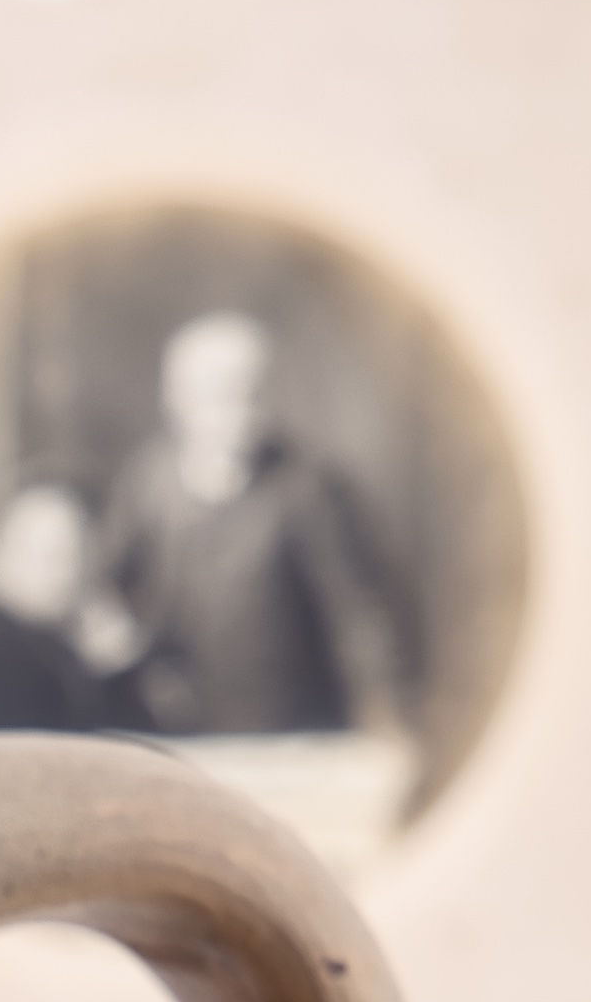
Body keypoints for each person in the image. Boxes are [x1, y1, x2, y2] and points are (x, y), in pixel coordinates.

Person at [94, 311, 407, 739]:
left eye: (252, 392)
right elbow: (107, 585)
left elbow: (358, 613)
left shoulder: (309, 486)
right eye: (216, 394)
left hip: (295, 727)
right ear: (176, 399)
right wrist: (128, 644)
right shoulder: (149, 481)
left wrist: (381, 714)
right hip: (181, 725)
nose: (237, 410)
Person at [0, 484, 155, 737]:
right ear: (0, 554)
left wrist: (119, 675)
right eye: (47, 555)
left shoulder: (82, 646)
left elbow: (137, 744)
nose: (63, 573)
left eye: (73, 556)